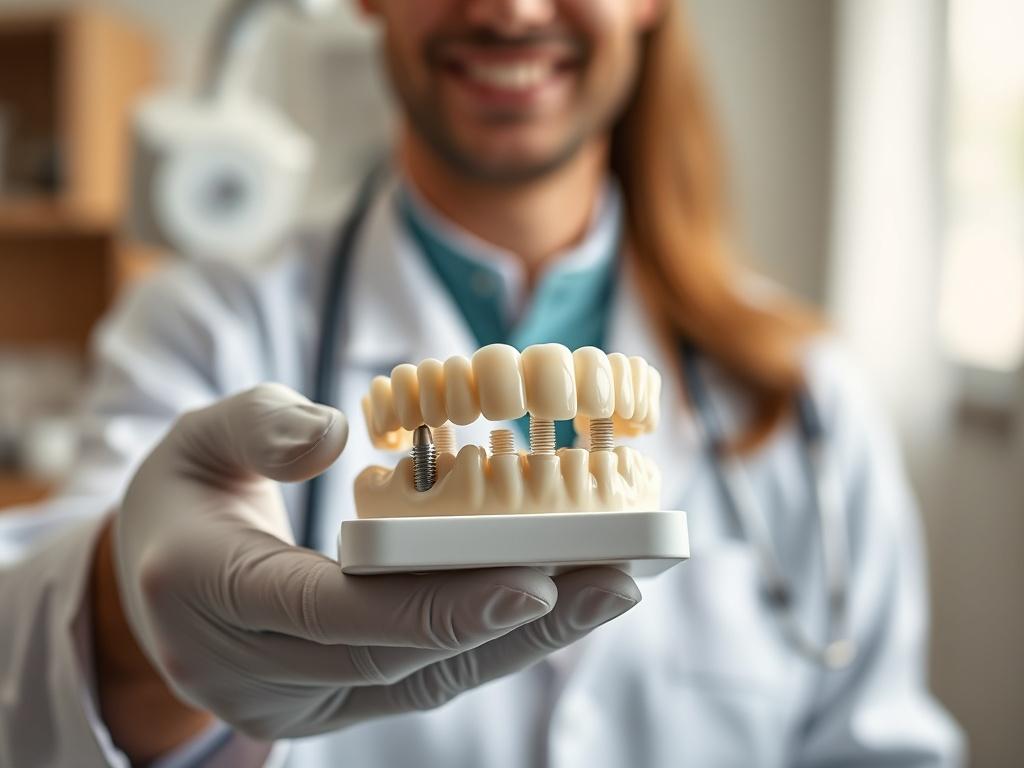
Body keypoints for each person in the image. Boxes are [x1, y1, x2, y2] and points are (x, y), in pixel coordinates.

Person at [0, 1, 963, 766]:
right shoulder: (204, 327)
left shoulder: (806, 395)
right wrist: (130, 629)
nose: (511, 9)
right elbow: (23, 690)